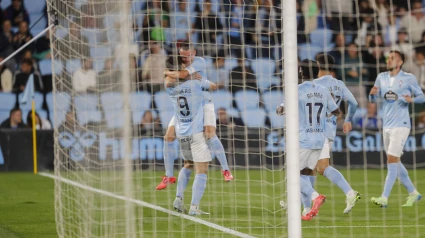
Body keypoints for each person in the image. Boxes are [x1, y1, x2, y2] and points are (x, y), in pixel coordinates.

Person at [157, 40, 234, 190]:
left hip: (204, 103)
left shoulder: (199, 62)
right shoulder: (179, 63)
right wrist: (179, 76)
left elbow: (183, 74)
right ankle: (168, 176)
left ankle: (226, 170)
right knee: (168, 137)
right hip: (185, 105)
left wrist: (168, 72)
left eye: (188, 56)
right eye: (183, 57)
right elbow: (168, 82)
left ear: (194, 54)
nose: (185, 60)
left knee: (210, 133)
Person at [277, 59, 340, 221]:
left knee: (292, 174)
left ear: (300, 72)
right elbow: (337, 112)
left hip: (303, 138)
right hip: (320, 138)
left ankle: (315, 196)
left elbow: (281, 110)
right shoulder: (323, 90)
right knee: (304, 173)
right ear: (317, 72)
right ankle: (306, 210)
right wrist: (324, 115)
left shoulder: (295, 90)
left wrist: (281, 109)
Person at [369, 50, 424, 207]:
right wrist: (372, 95)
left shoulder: (408, 78)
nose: (389, 60)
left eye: (393, 58)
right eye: (388, 58)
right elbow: (374, 98)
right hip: (387, 125)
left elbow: (422, 96)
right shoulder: (381, 77)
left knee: (391, 160)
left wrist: (411, 99)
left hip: (401, 125)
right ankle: (413, 193)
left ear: (400, 62)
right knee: (395, 161)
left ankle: (384, 198)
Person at [309, 54, 361, 215]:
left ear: (318, 66)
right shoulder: (339, 84)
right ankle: (306, 203)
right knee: (309, 167)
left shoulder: (313, 84)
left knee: (322, 167)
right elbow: (354, 103)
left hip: (316, 130)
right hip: (330, 130)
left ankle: (350, 192)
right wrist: (348, 120)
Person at [164, 55, 212, 215]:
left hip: (181, 131)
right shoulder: (194, 84)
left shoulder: (169, 86)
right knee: (202, 169)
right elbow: (211, 86)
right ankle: (194, 207)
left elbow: (172, 79)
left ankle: (178, 198)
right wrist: (194, 76)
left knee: (188, 164)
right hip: (196, 131)